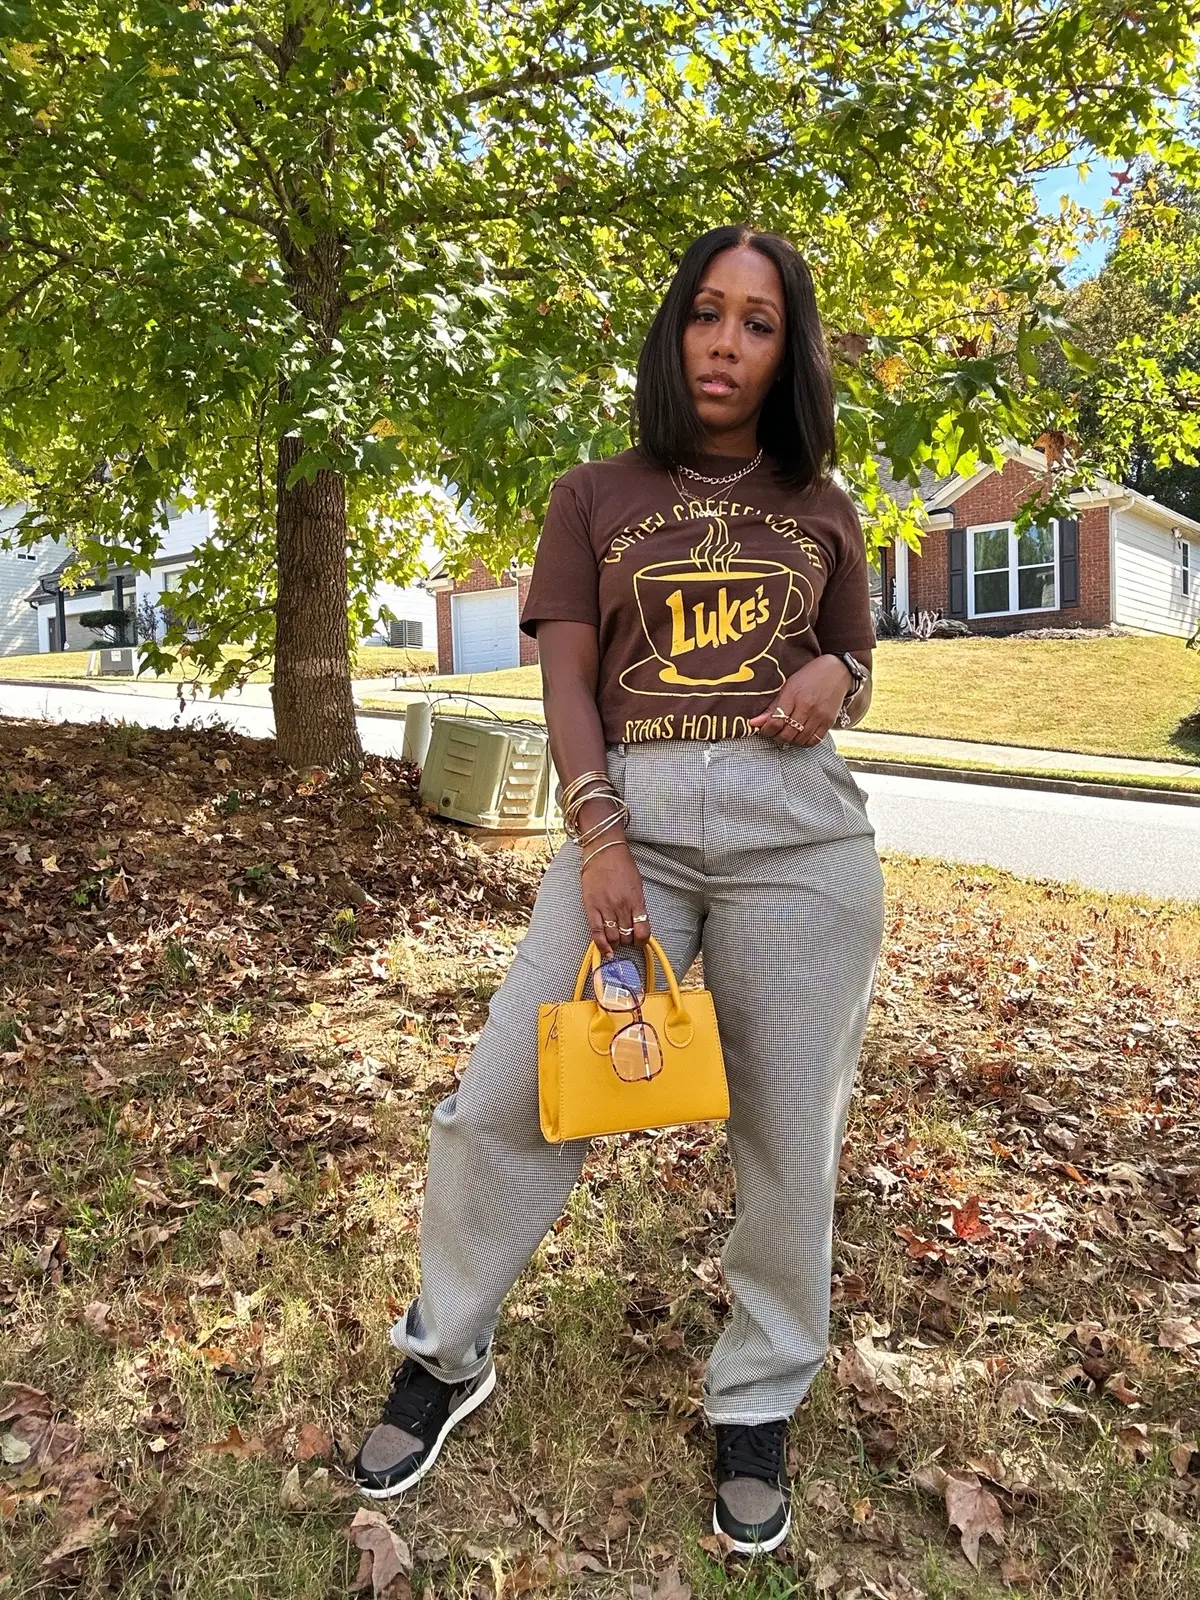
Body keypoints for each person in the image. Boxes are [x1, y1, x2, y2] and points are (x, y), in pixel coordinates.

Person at [351, 224, 885, 1556]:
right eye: (708, 313)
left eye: (758, 323)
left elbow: (855, 668)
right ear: (675, 327)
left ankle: (757, 1401)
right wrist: (598, 837)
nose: (726, 342)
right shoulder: (594, 492)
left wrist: (837, 681)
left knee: (787, 1140)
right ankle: (447, 1350)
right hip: (630, 817)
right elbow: (568, 680)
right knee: (505, 1101)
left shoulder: (821, 504)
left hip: (796, 842)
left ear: (786, 350)